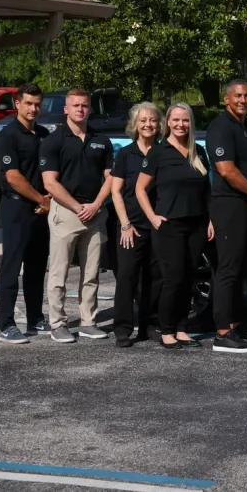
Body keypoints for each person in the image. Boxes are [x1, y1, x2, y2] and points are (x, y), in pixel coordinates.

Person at [136, 103, 213, 349]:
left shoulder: (197, 151)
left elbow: (206, 191)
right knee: (173, 279)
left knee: (189, 278)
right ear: (168, 122)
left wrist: (210, 220)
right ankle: (166, 330)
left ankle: (182, 329)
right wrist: (153, 217)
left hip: (197, 224)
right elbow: (140, 189)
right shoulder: (158, 152)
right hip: (169, 226)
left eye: (186, 120)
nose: (181, 125)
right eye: (176, 120)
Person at [40, 88, 114, 343]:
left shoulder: (101, 141)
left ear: (89, 109)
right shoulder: (53, 141)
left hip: (95, 213)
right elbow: (50, 183)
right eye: (75, 105)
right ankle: (58, 323)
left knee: (91, 273)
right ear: (66, 109)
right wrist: (76, 207)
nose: (80, 109)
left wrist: (96, 204)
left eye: (84, 105)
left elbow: (110, 178)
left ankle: (88, 321)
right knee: (59, 273)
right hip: (66, 213)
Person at [206, 79, 247, 354]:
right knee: (227, 269)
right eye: (238, 96)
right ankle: (222, 334)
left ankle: (235, 327)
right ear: (226, 99)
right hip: (229, 205)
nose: (243, 100)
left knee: (243, 267)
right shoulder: (220, 128)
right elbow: (226, 171)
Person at [0, 83, 51, 344]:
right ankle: (6, 325)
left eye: (37, 104)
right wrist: (41, 198)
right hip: (16, 206)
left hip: (40, 208)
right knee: (12, 266)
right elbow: (13, 177)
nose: (33, 108)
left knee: (37, 266)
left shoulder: (43, 134)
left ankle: (35, 318)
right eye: (28, 103)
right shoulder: (8, 136)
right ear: (18, 103)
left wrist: (46, 199)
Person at [110, 102, 163, 347]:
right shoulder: (125, 154)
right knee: (127, 278)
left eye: (152, 120)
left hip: (158, 226)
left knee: (155, 278)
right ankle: (122, 329)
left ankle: (149, 325)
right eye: (143, 121)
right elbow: (116, 191)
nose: (148, 124)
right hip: (131, 226)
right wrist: (125, 224)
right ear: (135, 125)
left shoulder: (164, 153)